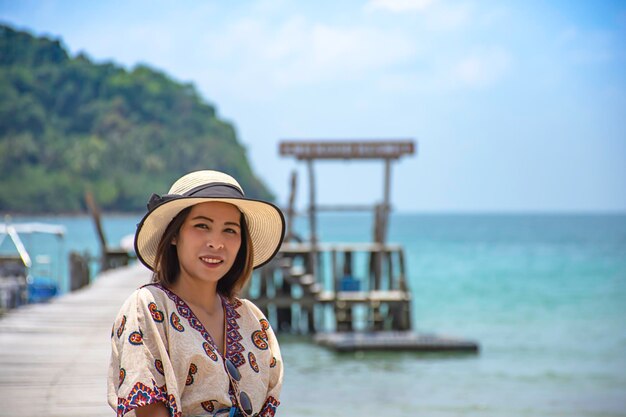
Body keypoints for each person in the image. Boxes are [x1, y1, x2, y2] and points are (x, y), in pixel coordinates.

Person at [107, 170, 285, 417]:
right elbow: (149, 410)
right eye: (202, 226)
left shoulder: (252, 319)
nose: (216, 243)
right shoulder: (148, 307)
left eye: (230, 230)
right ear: (174, 235)